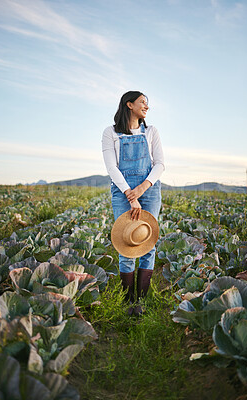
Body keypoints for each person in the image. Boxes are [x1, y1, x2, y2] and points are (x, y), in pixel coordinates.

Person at [102, 91, 165, 315]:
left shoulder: (152, 132)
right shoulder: (110, 133)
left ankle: (142, 302)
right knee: (126, 246)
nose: (146, 107)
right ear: (129, 105)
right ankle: (128, 303)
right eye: (142, 102)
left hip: (149, 190)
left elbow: (159, 165)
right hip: (122, 192)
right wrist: (130, 193)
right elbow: (112, 168)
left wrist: (141, 189)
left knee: (148, 243)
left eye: (147, 103)